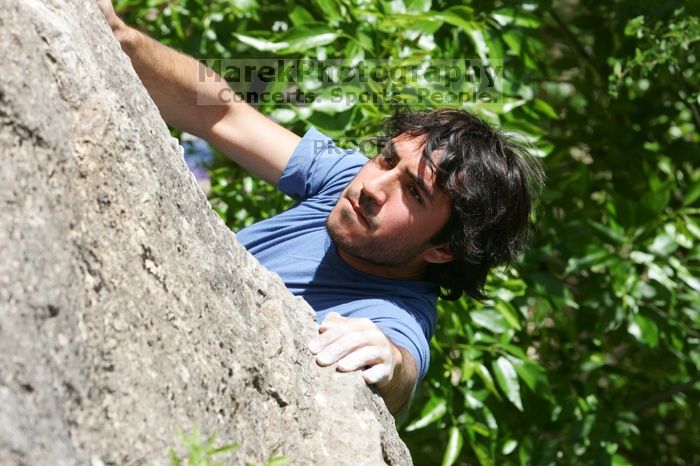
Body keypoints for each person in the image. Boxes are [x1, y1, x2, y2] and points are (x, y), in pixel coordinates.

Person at [96, 0, 544, 414]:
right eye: (386, 158)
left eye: (414, 193)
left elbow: (401, 368)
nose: (373, 185)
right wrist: (118, 35)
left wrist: (388, 361)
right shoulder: (348, 180)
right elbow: (222, 114)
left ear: (443, 249)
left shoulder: (394, 311)